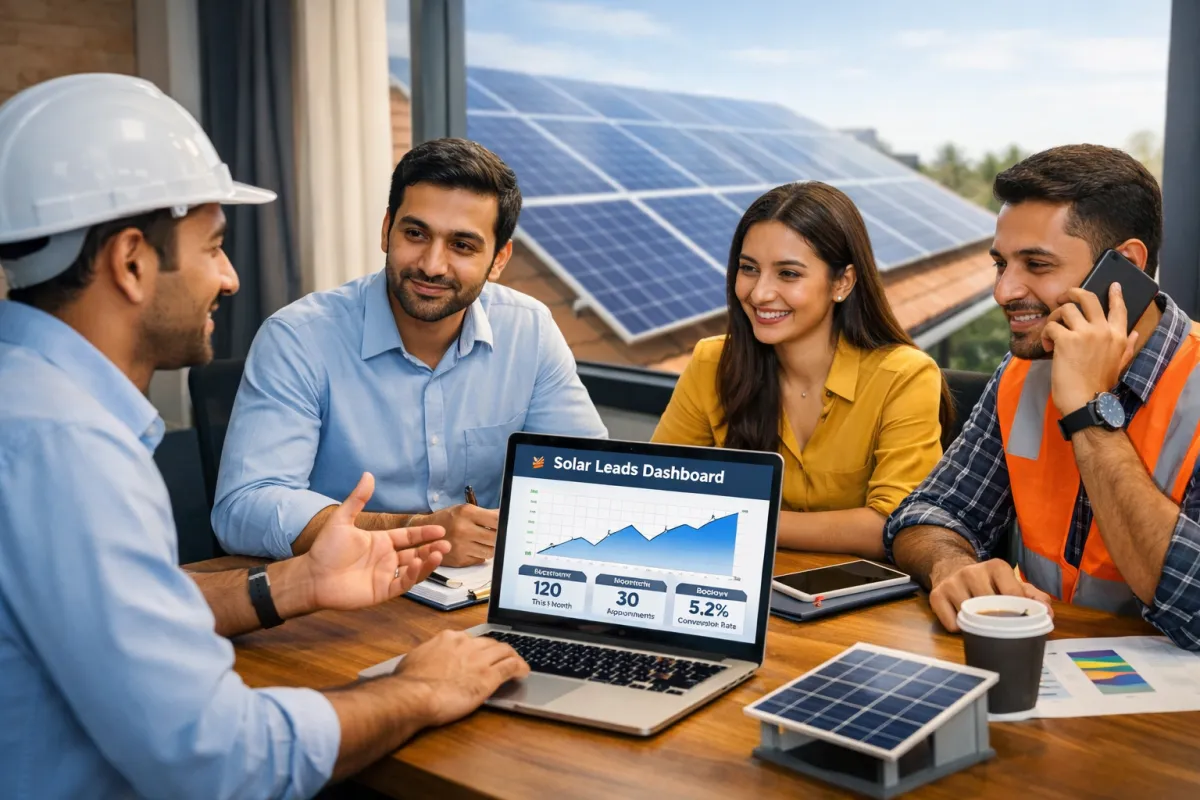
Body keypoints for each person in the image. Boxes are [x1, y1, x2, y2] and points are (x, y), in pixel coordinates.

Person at [0, 74, 528, 800]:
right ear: (131, 262)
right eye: (214, 247)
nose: (230, 277)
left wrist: (296, 583)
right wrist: (419, 690)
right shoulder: (66, 451)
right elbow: (224, 759)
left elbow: (121, 611)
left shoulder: (31, 404)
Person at [211, 138, 607, 564]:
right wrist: (414, 532)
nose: (432, 265)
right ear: (386, 230)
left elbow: (588, 480)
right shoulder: (298, 338)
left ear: (499, 259)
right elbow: (244, 509)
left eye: (462, 245)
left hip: (474, 586)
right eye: (416, 234)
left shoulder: (529, 330)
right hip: (340, 584)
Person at [886, 144, 1200, 651]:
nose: (1004, 291)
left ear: (1125, 267)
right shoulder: (1023, 372)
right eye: (1001, 264)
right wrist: (952, 563)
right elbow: (928, 511)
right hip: (1045, 667)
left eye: (1036, 264)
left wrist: (1089, 410)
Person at [651, 182, 950, 558]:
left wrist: (735, 519)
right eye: (749, 269)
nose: (759, 293)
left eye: (788, 274)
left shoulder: (905, 376)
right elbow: (656, 489)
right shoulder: (711, 363)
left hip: (861, 591)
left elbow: (894, 525)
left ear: (842, 282)